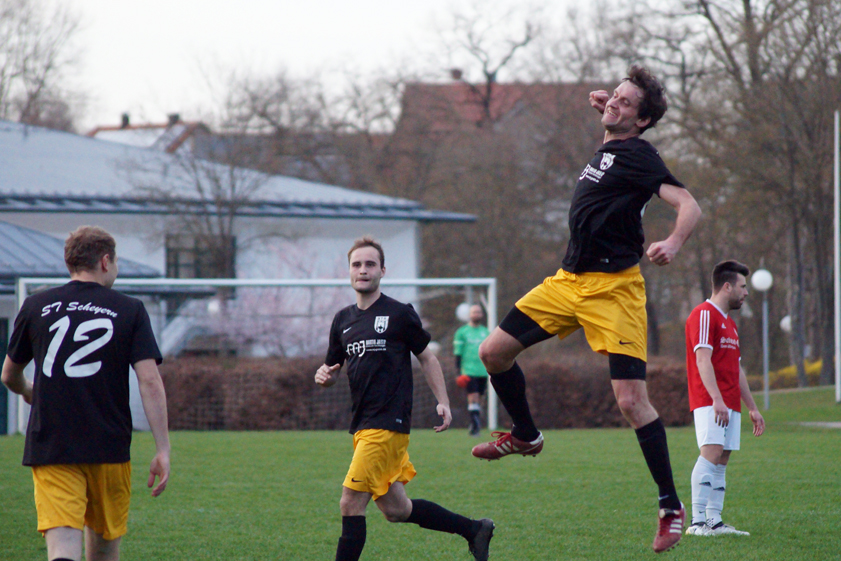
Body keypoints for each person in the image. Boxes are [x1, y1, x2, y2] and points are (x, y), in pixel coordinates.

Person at [472, 66, 702, 553]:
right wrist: (610, 108)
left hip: (614, 290)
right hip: (567, 282)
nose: (613, 101)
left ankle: (670, 505)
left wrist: (674, 242)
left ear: (643, 121)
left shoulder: (639, 154)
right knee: (492, 352)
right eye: (614, 95)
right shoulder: (612, 145)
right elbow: (613, 126)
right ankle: (527, 435)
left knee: (631, 402)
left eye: (625, 101)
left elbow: (689, 204)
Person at [314, 236, 494, 561]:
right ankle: (474, 529)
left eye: (370, 264)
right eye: (357, 264)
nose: (363, 270)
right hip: (363, 425)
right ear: (349, 271)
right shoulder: (342, 320)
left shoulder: (399, 313)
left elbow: (427, 357)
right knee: (397, 509)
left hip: (387, 424)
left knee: (350, 502)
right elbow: (332, 369)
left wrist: (442, 400)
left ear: (382, 270)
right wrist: (325, 376)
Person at [1, 225, 170, 561]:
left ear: (70, 263)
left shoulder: (36, 305)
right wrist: (162, 448)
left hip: (52, 444)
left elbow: (8, 374)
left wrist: (28, 390)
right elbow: (150, 381)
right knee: (104, 550)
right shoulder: (130, 309)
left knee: (62, 548)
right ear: (106, 261)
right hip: (109, 444)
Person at [684, 260, 765, 537]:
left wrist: (752, 407)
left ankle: (714, 522)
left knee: (722, 459)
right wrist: (716, 399)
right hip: (711, 400)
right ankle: (696, 523)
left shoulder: (730, 324)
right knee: (711, 453)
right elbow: (702, 360)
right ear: (727, 286)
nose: (746, 292)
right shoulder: (704, 314)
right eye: (742, 286)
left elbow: (736, 369)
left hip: (729, 402)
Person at [453, 304, 491, 436]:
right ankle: (475, 427)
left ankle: (473, 423)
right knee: (473, 397)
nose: (477, 314)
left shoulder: (486, 332)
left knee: (479, 399)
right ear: (469, 314)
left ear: (482, 314)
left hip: (483, 371)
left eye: (479, 312)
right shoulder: (462, 332)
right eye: (474, 312)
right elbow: (458, 354)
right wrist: (458, 372)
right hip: (468, 371)